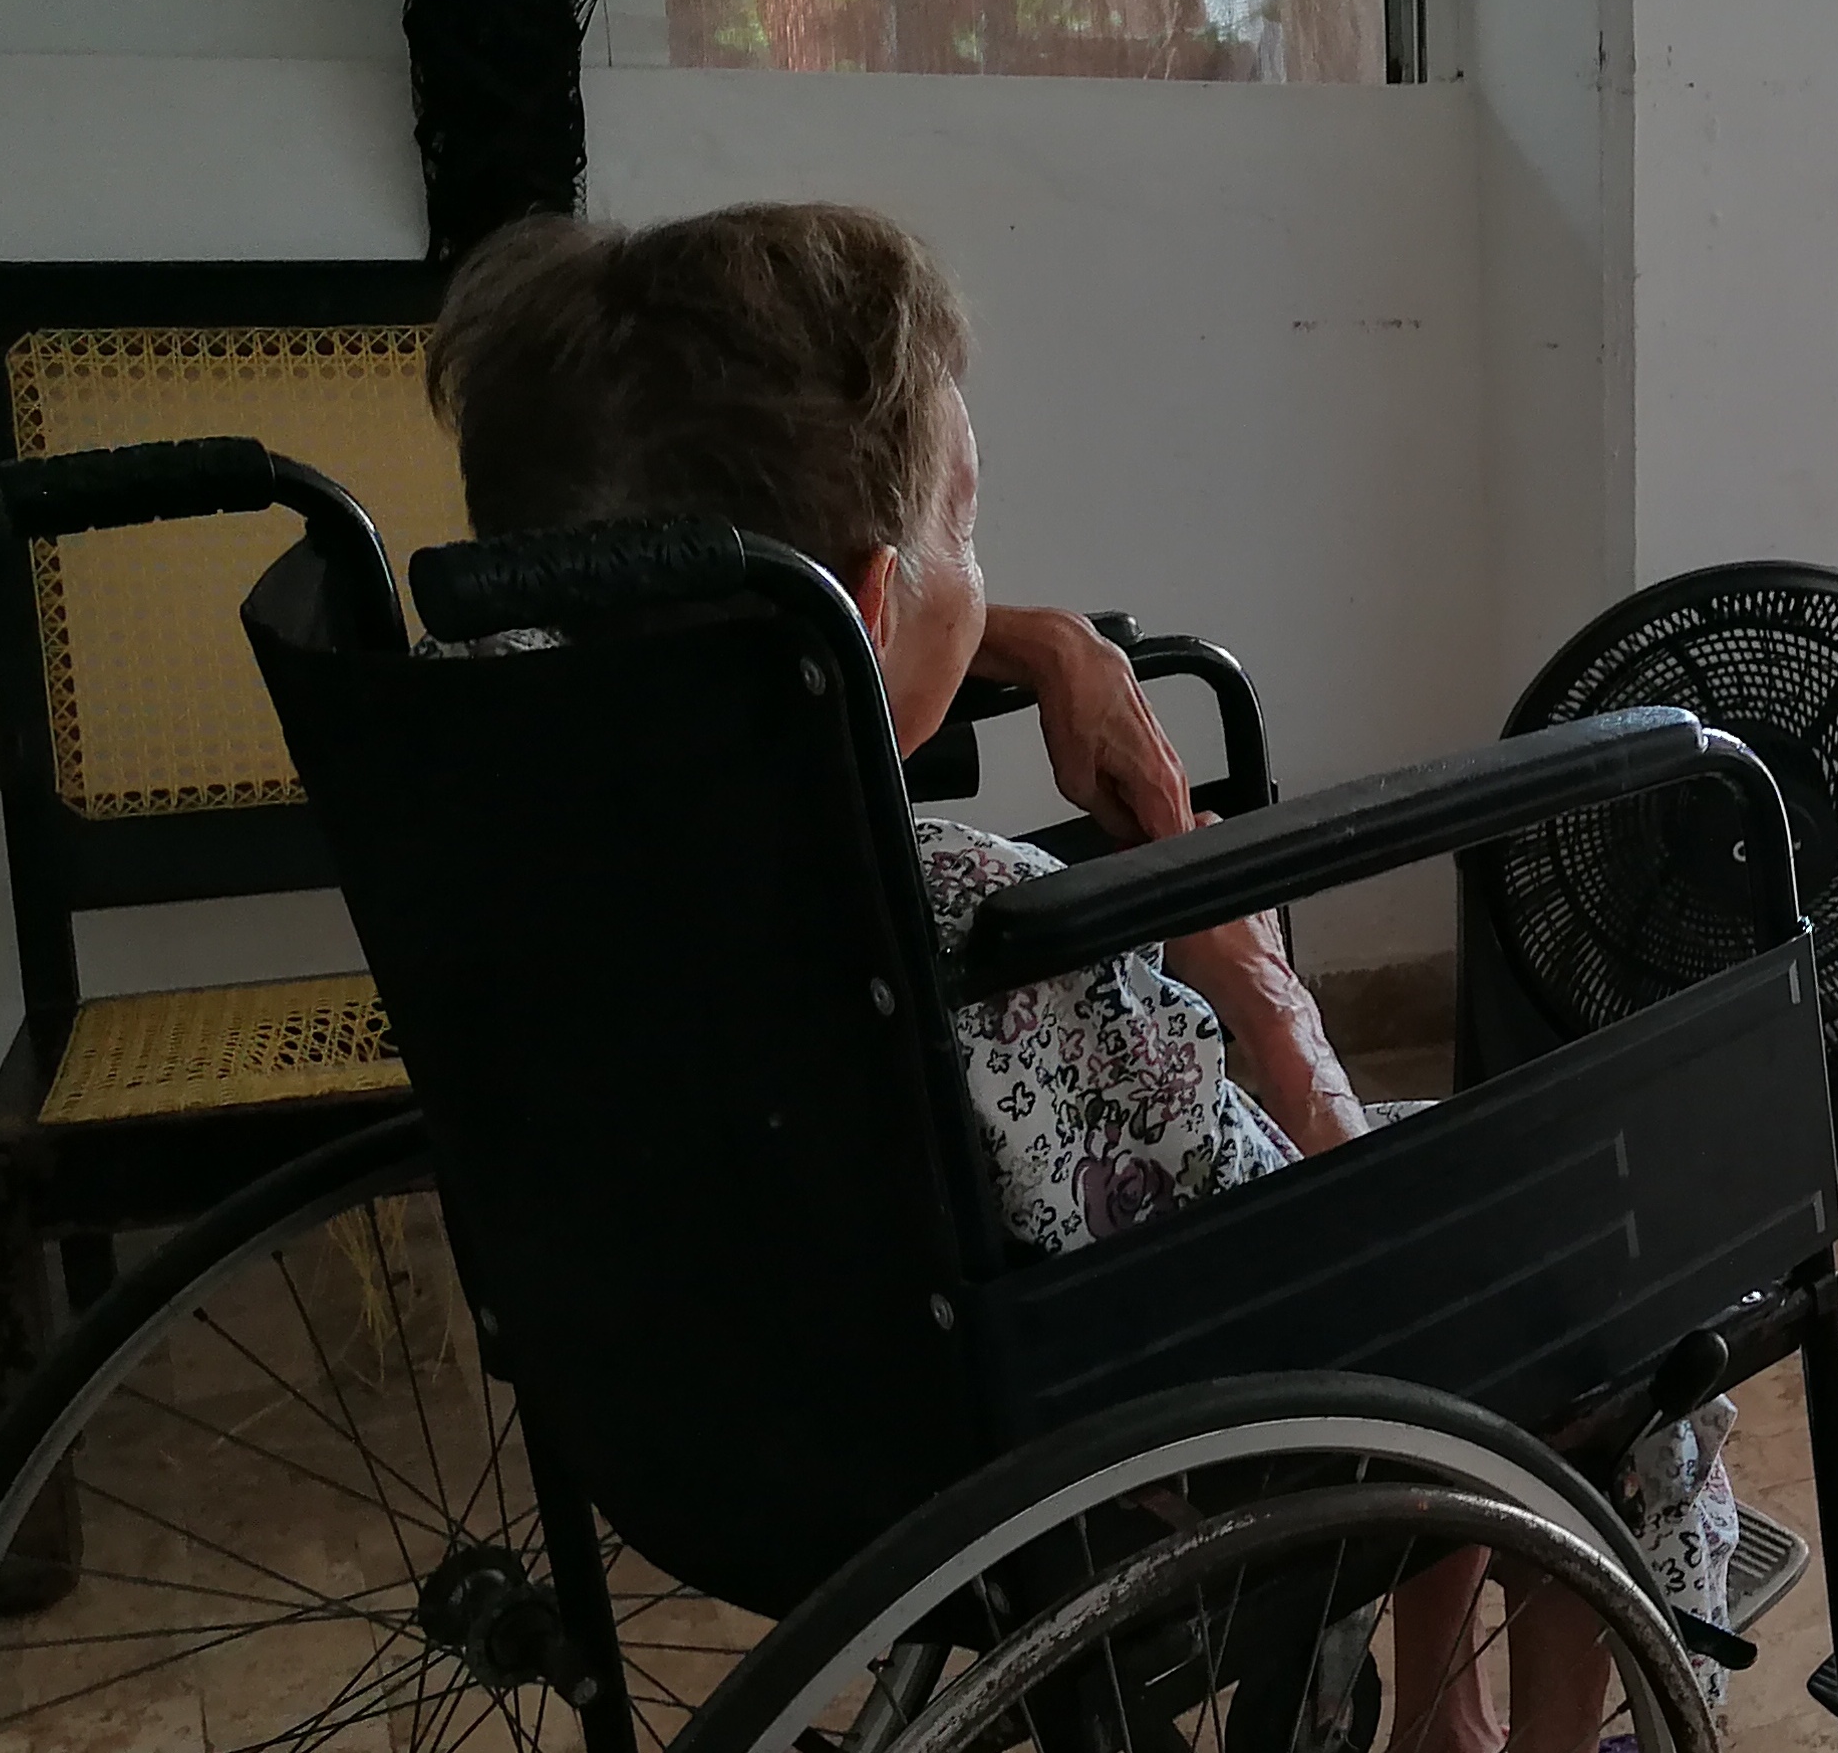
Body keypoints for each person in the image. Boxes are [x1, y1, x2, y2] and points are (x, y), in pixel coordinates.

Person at [423, 202, 1737, 1752]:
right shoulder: (976, 925)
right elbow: (1354, 1249)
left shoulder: (536, 838)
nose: (984, 577)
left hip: (730, 1416)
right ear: (865, 603)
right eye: (968, 530)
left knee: (1458, 1186)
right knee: (1612, 1287)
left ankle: (1443, 1713)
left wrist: (1027, 639)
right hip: (1123, 1435)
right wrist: (1251, 977)